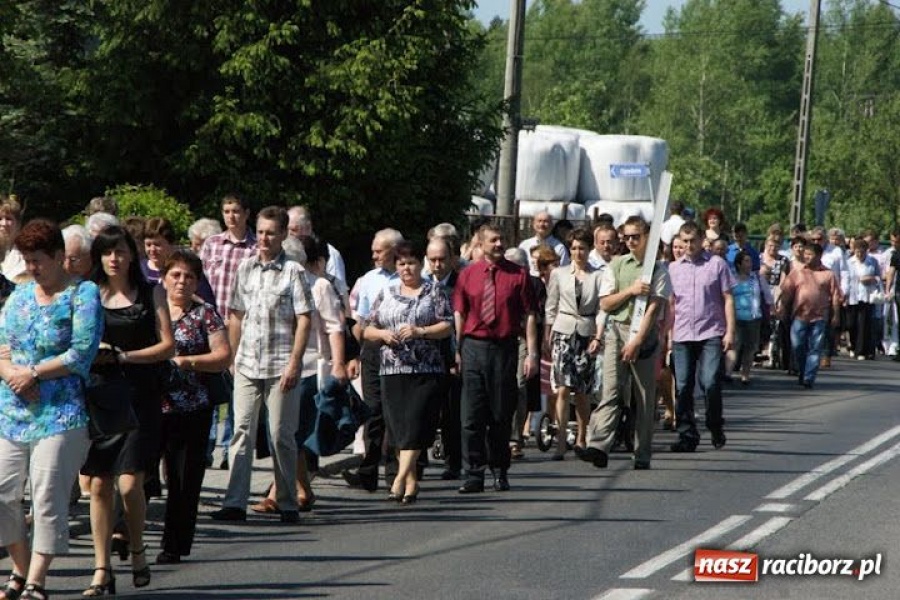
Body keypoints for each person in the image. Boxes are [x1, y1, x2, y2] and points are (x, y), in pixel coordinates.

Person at [0, 220, 102, 600]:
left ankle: (36, 581)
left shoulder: (83, 293)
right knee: (3, 493)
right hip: (11, 410)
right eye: (26, 261)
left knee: (45, 495)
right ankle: (20, 569)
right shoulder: (20, 297)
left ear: (60, 257)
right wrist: (12, 373)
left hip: (60, 413)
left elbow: (81, 353)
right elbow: (2, 345)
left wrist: (33, 373)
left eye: (38, 260)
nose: (31, 268)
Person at [82, 226, 175, 595]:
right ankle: (101, 566)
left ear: (131, 255)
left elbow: (167, 345)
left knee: (129, 482)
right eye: (106, 253)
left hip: (139, 396)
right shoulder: (88, 294)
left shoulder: (151, 291)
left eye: (119, 251)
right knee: (100, 485)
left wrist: (124, 356)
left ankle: (137, 548)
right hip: (99, 395)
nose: (113, 259)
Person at [210, 206, 313, 524]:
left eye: (271, 232)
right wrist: (232, 356)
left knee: (281, 434)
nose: (265, 238)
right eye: (262, 231)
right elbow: (236, 316)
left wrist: (295, 362)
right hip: (247, 363)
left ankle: (287, 501)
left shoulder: (293, 271)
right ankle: (235, 502)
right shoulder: (246, 268)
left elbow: (304, 318)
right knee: (240, 431)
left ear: (283, 234)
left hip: (280, 363)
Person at [250, 235, 346, 515]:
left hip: (307, 368)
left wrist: (337, 364)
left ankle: (278, 490)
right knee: (282, 433)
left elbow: (335, 327)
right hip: (274, 367)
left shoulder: (320, 287)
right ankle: (301, 488)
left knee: (290, 432)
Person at [157, 250, 231, 565]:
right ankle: (124, 532)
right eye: (175, 275)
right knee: (138, 474)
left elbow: (222, 357)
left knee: (183, 479)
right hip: (151, 406)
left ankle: (174, 544)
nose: (182, 282)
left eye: (189, 276)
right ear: (164, 279)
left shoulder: (206, 314)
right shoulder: (151, 312)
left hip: (192, 407)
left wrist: (187, 361)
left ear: (197, 282)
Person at [364, 241, 453, 502]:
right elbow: (367, 328)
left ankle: (399, 480)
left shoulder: (434, 291)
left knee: (416, 426)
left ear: (421, 264)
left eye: (411, 263)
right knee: (400, 429)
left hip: (425, 369)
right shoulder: (387, 292)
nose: (406, 269)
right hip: (393, 370)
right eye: (401, 264)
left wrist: (420, 331)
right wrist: (382, 333)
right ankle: (411, 483)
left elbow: (447, 325)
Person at [454, 223, 538, 493]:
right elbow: (460, 313)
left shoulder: (519, 275)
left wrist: (532, 353)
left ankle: (500, 470)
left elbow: (530, 316)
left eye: (502, 239)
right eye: (493, 240)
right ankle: (473, 474)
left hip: (504, 348)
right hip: (473, 347)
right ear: (480, 244)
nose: (499, 244)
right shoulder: (468, 275)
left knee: (501, 414)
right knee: (471, 415)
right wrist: (457, 349)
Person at [582, 216, 671, 470]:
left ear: (646, 238)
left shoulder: (658, 269)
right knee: (610, 390)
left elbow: (654, 308)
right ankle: (598, 446)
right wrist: (631, 291)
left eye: (636, 236)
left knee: (643, 397)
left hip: (644, 335)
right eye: (628, 237)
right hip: (617, 330)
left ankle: (642, 453)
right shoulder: (618, 264)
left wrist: (637, 341)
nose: (631, 241)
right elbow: (606, 303)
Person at [342, 229, 403, 492]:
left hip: (401, 353)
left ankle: (394, 473)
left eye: (379, 250)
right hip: (372, 350)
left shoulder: (410, 277)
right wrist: (353, 355)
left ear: (394, 251)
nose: (374, 255)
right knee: (373, 411)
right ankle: (368, 472)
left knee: (394, 414)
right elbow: (360, 320)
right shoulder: (368, 279)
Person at [199, 193, 257, 470]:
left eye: (236, 211)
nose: (231, 216)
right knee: (209, 387)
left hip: (243, 327)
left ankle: (231, 451)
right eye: (226, 211)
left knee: (236, 392)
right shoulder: (212, 245)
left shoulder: (255, 248)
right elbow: (199, 282)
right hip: (212, 325)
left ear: (246, 213)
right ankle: (206, 448)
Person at [668, 222, 735, 452]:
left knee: (710, 382)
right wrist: (668, 336)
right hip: (682, 334)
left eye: (692, 241)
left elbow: (728, 298)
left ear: (701, 240)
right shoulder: (674, 269)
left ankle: (715, 424)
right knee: (683, 385)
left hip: (710, 333)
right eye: (684, 241)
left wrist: (730, 332)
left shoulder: (716, 264)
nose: (688, 245)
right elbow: (671, 305)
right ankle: (687, 435)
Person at [544, 228, 603, 460]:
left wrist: (598, 336)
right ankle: (560, 440)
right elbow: (551, 305)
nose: (578, 252)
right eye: (574, 248)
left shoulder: (598, 276)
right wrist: (548, 334)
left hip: (586, 333)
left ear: (589, 250)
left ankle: (581, 437)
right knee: (562, 387)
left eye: (582, 248)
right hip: (563, 332)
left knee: (582, 391)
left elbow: (602, 310)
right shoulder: (559, 274)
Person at [426, 237, 464, 479]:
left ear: (452, 259)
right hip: (424, 355)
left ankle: (454, 461)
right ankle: (417, 461)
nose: (438, 265)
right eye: (433, 260)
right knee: (424, 410)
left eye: (442, 259)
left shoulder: (461, 284)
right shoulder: (421, 285)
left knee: (452, 411)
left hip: (451, 354)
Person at [779, 243, 841, 389]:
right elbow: (787, 292)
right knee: (798, 345)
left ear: (819, 256)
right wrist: (782, 308)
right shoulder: (797, 272)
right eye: (805, 254)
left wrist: (836, 315)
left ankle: (808, 377)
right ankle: (802, 370)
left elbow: (835, 297)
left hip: (820, 317)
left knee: (815, 348)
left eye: (810, 254)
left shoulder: (828, 274)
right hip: (800, 315)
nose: (806, 256)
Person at [726, 251, 772, 385]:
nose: (749, 264)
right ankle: (728, 373)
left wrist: (772, 307)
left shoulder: (756, 278)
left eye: (750, 261)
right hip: (736, 317)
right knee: (734, 345)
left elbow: (767, 294)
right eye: (746, 261)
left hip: (753, 317)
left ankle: (745, 374)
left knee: (750, 348)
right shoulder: (731, 278)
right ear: (739, 264)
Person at [287, 205, 346, 283]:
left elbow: (339, 289)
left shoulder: (330, 254)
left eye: (293, 229)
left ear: (308, 228)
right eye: (286, 229)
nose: (288, 234)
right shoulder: (282, 252)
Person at [846, 238, 881, 360]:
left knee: (863, 324)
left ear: (866, 251)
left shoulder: (872, 261)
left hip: (866, 296)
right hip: (852, 296)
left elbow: (878, 277)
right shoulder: (849, 262)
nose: (860, 254)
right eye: (857, 252)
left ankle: (860, 351)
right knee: (851, 324)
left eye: (862, 252)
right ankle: (853, 345)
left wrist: (872, 279)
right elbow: (846, 279)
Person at [519, 211, 571, 275]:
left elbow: (564, 270)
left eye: (545, 221)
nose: (542, 224)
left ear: (552, 225)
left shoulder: (559, 247)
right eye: (539, 221)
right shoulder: (524, 245)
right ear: (533, 224)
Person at [0, 196, 27, 283]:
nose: (3, 223)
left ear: (18, 224)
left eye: (8, 219)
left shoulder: (27, 253)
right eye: (0, 219)